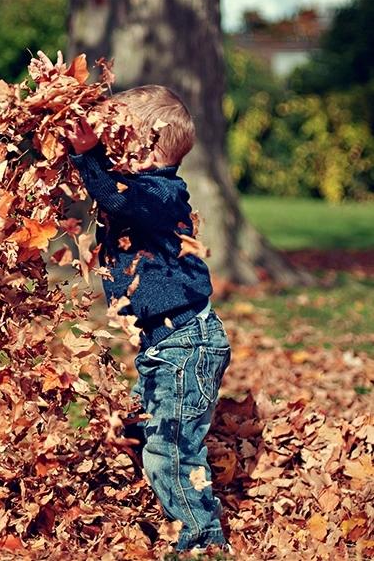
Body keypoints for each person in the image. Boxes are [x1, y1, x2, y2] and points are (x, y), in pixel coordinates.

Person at [67, 85, 232, 553]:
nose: (107, 148)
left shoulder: (160, 193)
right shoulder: (142, 190)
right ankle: (155, 503)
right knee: (143, 427)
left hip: (186, 344)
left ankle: (203, 539)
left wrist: (87, 157)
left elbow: (116, 199)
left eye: (115, 140)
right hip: (165, 345)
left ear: (142, 147)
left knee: (173, 451)